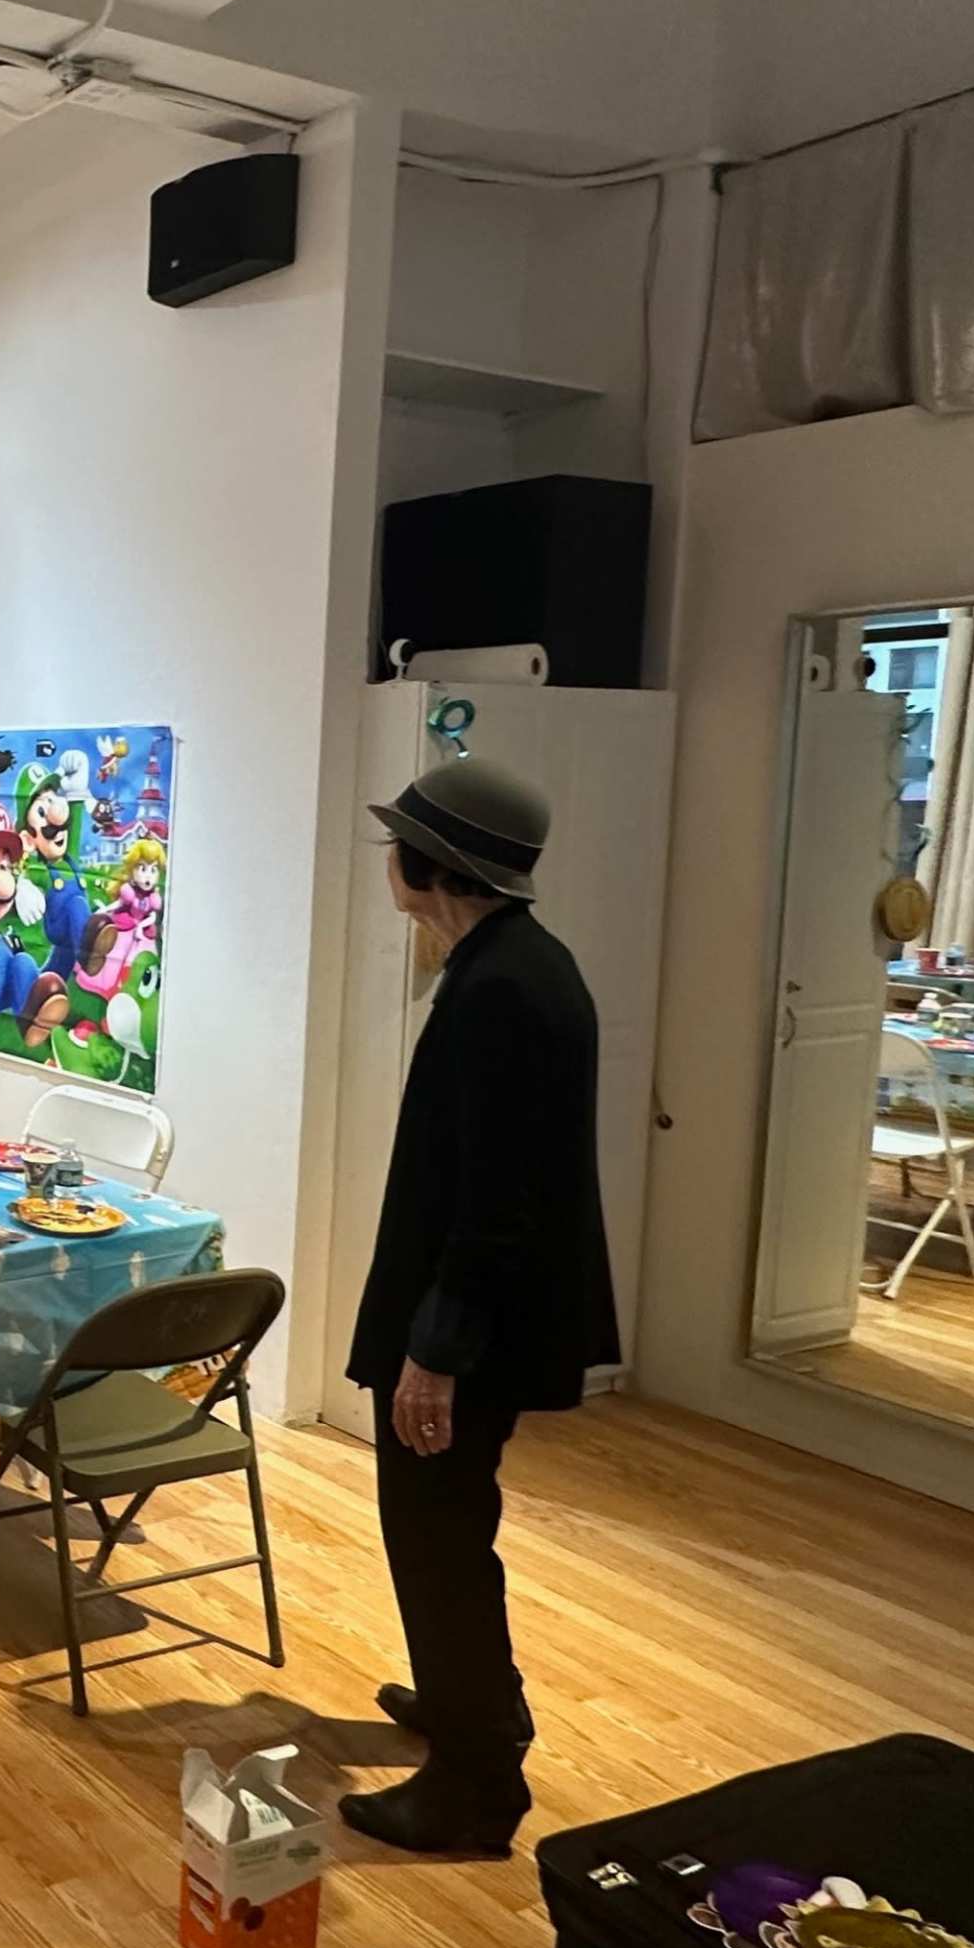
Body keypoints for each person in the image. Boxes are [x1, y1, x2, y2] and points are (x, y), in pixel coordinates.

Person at [339, 755, 617, 1860]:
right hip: (480, 1313)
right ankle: (472, 1707)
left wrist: (436, 1354)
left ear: (428, 865)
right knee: (447, 1525)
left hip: (471, 1327)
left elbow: (499, 1200)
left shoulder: (504, 989)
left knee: (439, 1533)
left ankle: (476, 1782)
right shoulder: (517, 964)